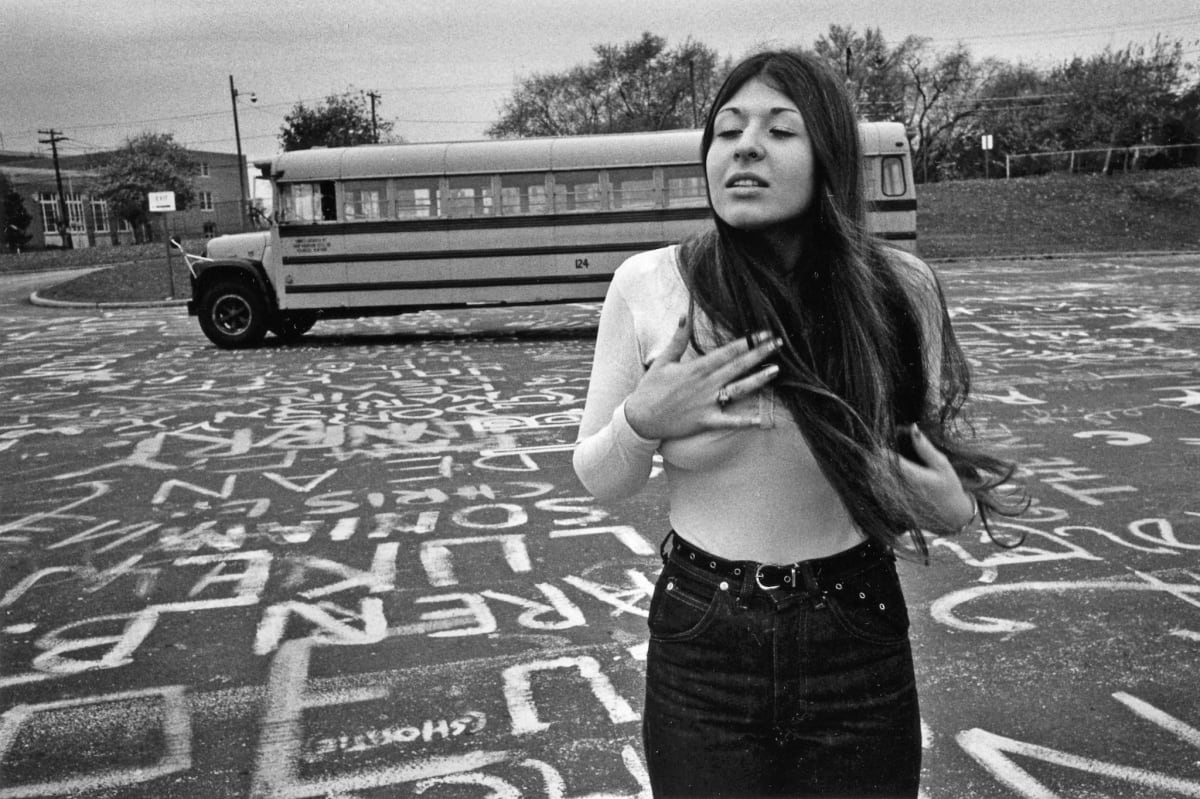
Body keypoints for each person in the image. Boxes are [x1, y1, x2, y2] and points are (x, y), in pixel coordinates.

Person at [573, 49, 1023, 798]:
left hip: (854, 629)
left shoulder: (900, 289)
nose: (745, 145)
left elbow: (940, 499)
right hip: (702, 636)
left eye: (781, 130)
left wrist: (948, 506)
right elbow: (600, 476)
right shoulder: (648, 284)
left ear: (829, 157)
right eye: (727, 129)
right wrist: (644, 418)